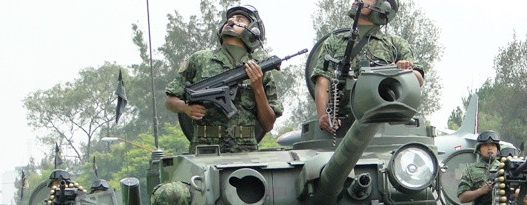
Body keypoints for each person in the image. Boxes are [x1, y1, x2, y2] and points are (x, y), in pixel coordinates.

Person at [164, 5, 282, 153]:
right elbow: (170, 101)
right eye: (229, 19)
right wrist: (186, 108)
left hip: (246, 152)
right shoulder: (201, 59)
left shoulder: (260, 70)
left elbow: (268, 124)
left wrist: (258, 88)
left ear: (253, 31)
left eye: (240, 20)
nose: (231, 21)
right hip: (204, 149)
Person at [311, 0, 424, 133]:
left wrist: (402, 71)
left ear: (383, 7)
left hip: (383, 125)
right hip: (342, 126)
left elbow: (418, 79)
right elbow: (322, 80)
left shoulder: (395, 44)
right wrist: (324, 116)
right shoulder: (335, 41)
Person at [457, 131, 527, 205]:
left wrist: (519, 195)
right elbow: (462, 197)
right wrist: (481, 191)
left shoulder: (506, 167)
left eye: (493, 145)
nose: (490, 148)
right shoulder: (470, 170)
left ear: (497, 149)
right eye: (485, 145)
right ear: (479, 149)